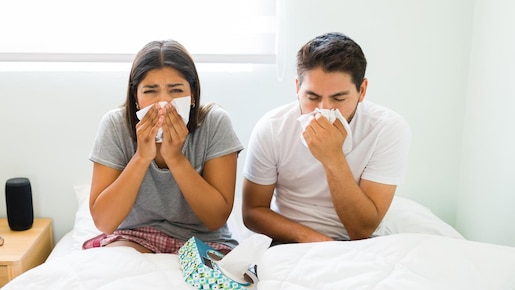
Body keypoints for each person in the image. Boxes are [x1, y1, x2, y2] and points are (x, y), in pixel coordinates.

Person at [242, 32, 410, 243]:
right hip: (289, 241)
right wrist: (319, 242)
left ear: (362, 91)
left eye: (338, 98)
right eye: (312, 97)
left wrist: (332, 157)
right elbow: (252, 212)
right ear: (297, 89)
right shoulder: (272, 128)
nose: (323, 110)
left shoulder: (387, 129)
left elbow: (362, 230)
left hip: (358, 245)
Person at [84, 39, 243, 254]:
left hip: (203, 241)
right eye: (150, 91)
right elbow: (104, 222)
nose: (165, 102)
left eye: (176, 90)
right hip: (135, 237)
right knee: (117, 272)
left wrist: (175, 159)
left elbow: (215, 219)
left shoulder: (215, 123)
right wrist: (141, 157)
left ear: (193, 94)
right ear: (136, 97)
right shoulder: (115, 125)